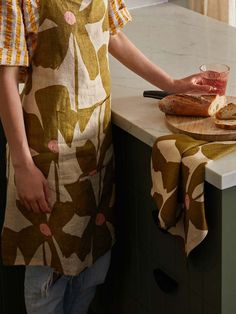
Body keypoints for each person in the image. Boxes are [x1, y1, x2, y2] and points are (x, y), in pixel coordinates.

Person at [0, 1, 214, 313]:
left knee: (92, 267)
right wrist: (22, 164)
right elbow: (5, 76)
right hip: (46, 156)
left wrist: (170, 84)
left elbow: (112, 35)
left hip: (94, 150)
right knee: (48, 273)